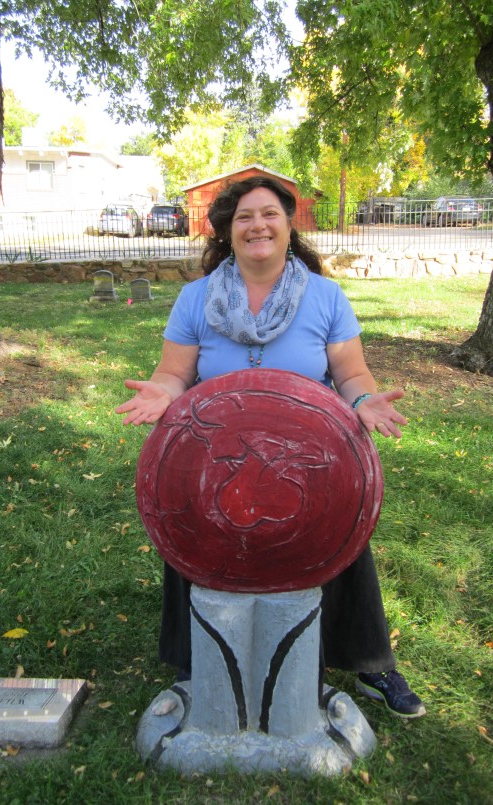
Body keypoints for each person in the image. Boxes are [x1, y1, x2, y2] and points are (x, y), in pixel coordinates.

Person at [116, 176, 426, 719]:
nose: (257, 225)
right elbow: (173, 373)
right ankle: (199, 659)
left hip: (310, 457)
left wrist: (364, 401)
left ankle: (368, 662)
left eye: (269, 215)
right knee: (198, 535)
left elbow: (351, 373)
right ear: (228, 232)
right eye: (243, 217)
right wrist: (161, 393)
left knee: (339, 544)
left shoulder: (325, 296)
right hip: (219, 452)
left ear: (288, 227)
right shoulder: (197, 297)